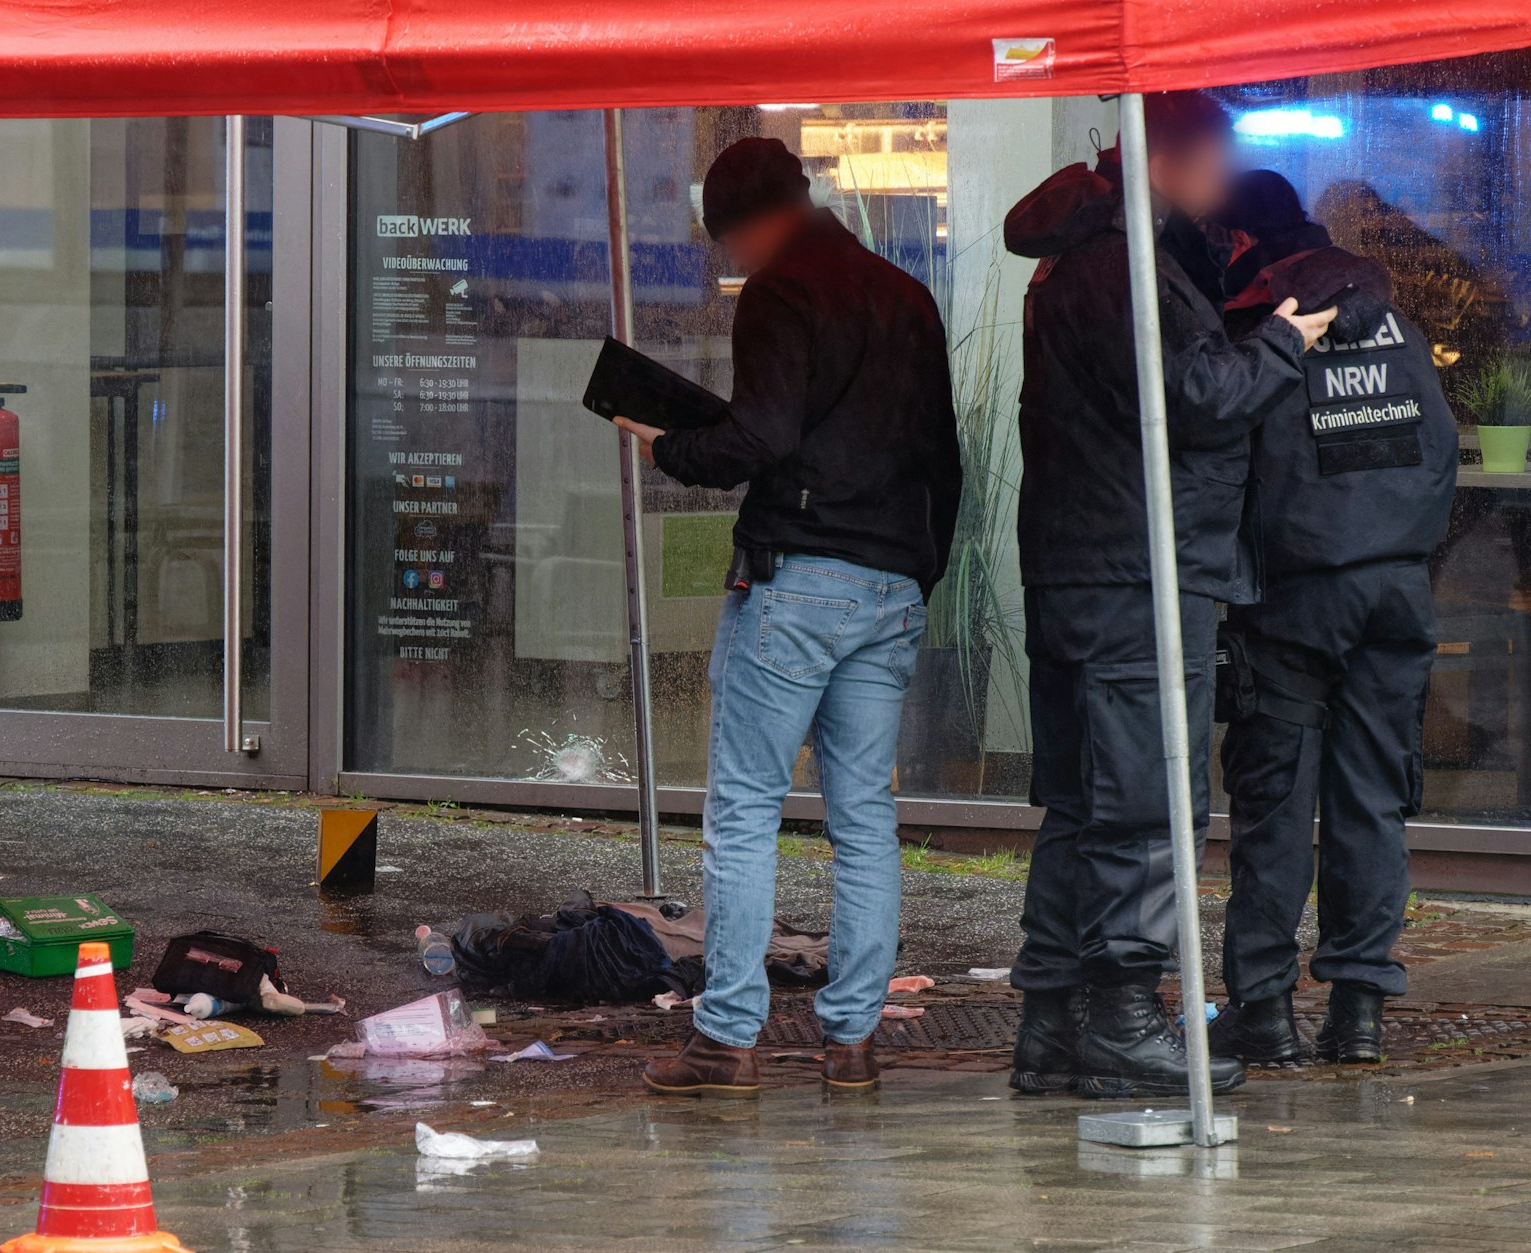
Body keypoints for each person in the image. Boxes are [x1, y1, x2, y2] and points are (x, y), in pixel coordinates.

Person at [1002, 93, 1337, 1099]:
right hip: (1136, 569)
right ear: (1171, 155)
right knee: (1146, 802)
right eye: (1215, 159)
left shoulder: (1085, 252)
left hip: (1082, 564)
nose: (1223, 184)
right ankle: (1119, 1019)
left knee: (1078, 802)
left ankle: (1050, 1022)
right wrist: (1283, 341)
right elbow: (1196, 401)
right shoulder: (1127, 260)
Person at [615, 137, 961, 1095]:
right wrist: (915, 573)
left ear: (750, 222)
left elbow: (759, 435)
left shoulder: (780, 290)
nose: (731, 262)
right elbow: (947, 460)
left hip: (796, 579)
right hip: (889, 586)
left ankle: (724, 1042)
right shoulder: (905, 295)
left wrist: (668, 448)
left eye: (726, 242)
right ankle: (851, 1043)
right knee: (865, 823)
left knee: (744, 815)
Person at [1209, 173, 1457, 1066]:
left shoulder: (1264, 328)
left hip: (1295, 601)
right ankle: (1357, 1012)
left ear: (1242, 244)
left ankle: (1266, 1011)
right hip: (1395, 592)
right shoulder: (1399, 326)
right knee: (1372, 801)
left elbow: (1234, 464)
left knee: (1275, 804)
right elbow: (1438, 459)